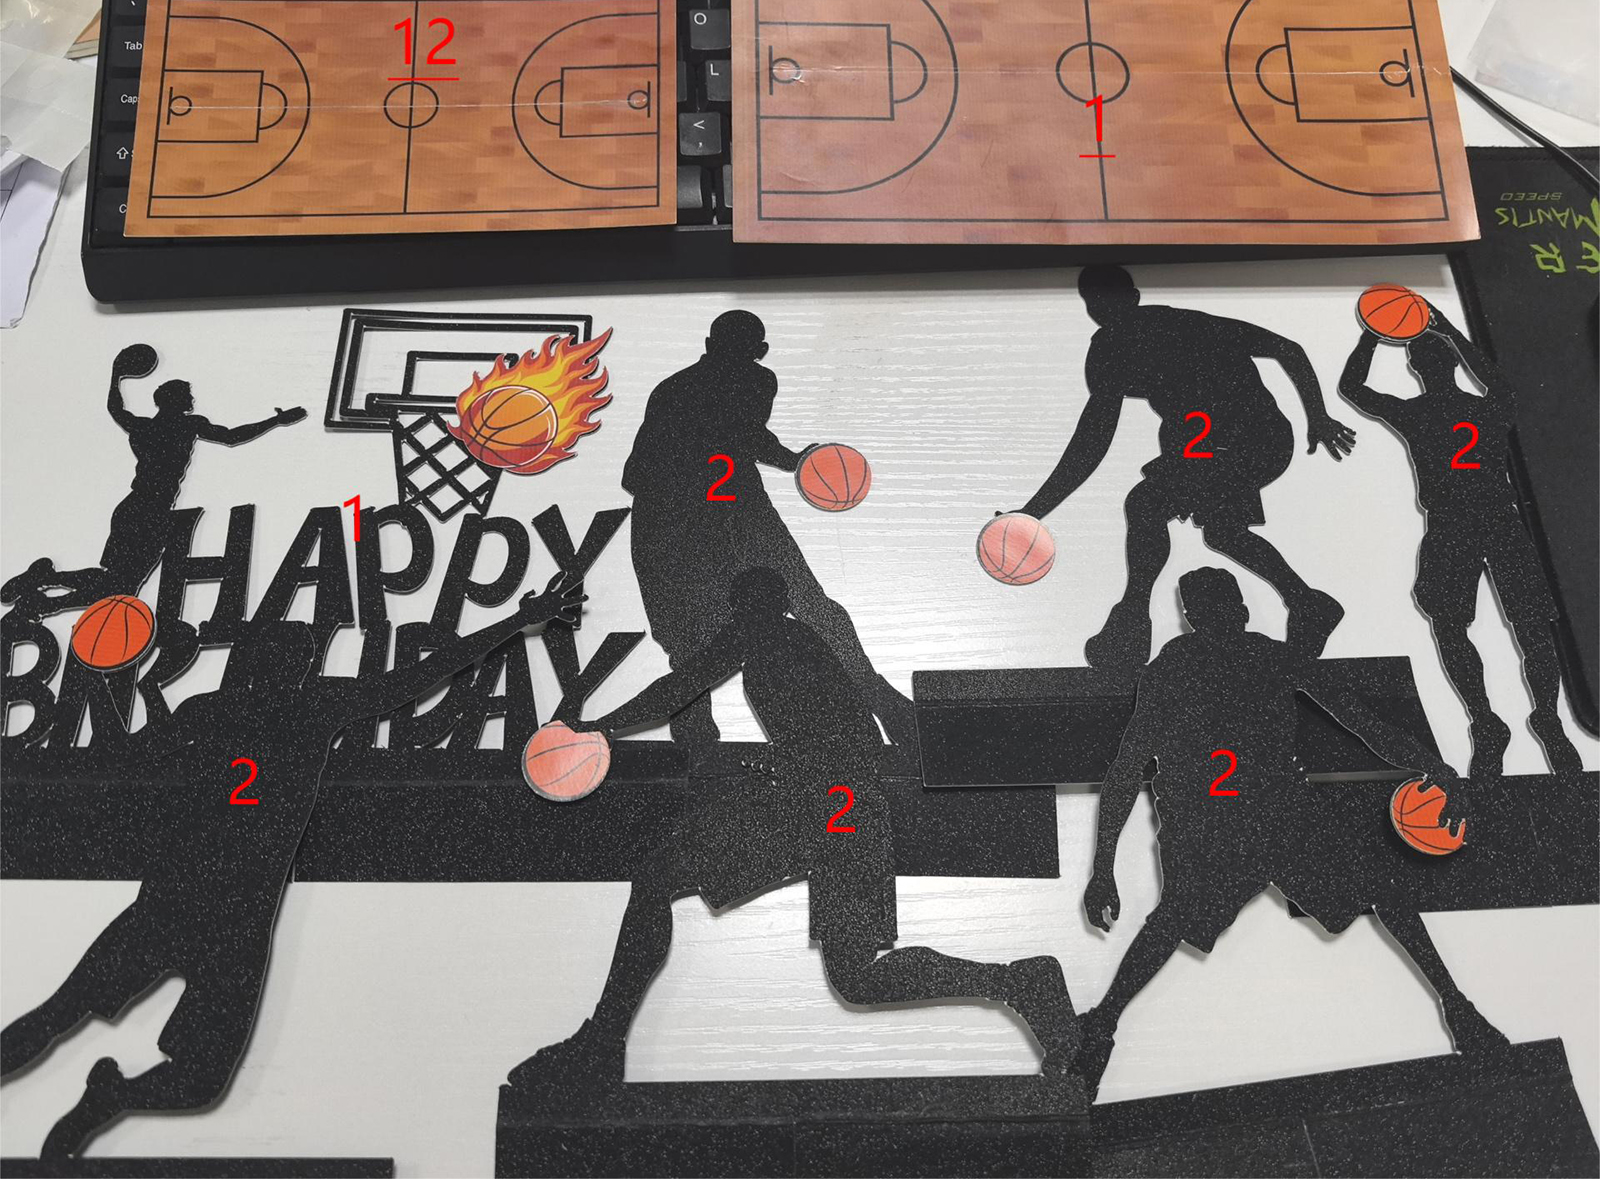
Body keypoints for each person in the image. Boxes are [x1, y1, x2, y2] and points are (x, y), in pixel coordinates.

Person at [0, 573, 584, 1159]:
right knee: (171, 1068)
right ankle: (110, 1100)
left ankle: (104, 1101)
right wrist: (518, 618)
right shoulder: (310, 709)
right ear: (298, 667)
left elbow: (118, 757)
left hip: (195, 909)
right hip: (219, 916)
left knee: (89, 1028)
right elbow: (423, 673)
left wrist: (106, 679)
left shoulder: (214, 709)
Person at [514, 567, 1078, 1083]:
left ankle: (602, 1043)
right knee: (851, 975)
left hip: (828, 798)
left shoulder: (768, 635)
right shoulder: (800, 638)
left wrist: (599, 728)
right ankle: (1018, 982)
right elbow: (854, 714)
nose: (739, 613)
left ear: (761, 604)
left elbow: (680, 689)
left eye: (745, 603)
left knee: (669, 884)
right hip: (837, 797)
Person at [1075, 567, 1508, 1099]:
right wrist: (1102, 869)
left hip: (1264, 813)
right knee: (1174, 920)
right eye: (1218, 607)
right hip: (1218, 821)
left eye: (1228, 605)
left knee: (1377, 885)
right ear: (1202, 617)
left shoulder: (1246, 659)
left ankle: (1458, 1008)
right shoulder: (1186, 669)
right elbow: (1126, 768)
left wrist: (1433, 766)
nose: (1229, 615)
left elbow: (1359, 720)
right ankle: (1101, 1027)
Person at [1014, 266, 1356, 672]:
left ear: (1133, 298)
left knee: (1147, 504)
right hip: (1215, 444)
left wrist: (1319, 417)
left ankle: (1132, 621)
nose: (1102, 310)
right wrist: (1035, 510)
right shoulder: (1114, 349)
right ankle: (1307, 602)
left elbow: (1288, 348)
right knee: (1222, 531)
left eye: (1106, 300)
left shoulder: (1184, 326)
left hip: (1250, 438)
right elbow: (1093, 440)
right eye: (1095, 303)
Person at [621, 310, 916, 750]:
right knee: (700, 631)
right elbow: (735, 437)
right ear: (754, 350)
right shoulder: (730, 383)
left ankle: (879, 699)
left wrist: (789, 460)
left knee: (795, 607)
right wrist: (791, 460)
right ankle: (698, 742)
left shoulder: (713, 385)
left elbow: (737, 436)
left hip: (703, 509)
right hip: (679, 512)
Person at [1337, 308, 1581, 778]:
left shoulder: (1417, 412)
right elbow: (1500, 382)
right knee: (1526, 625)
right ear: (1450, 363)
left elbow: (1353, 388)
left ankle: (1491, 720)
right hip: (1493, 521)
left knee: (1457, 627)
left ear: (1416, 368)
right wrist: (1449, 333)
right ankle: (1537, 717)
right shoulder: (1485, 408)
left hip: (1457, 523)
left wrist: (1373, 334)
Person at [1, 345, 305, 620]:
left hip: (133, 507)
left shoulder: (143, 427)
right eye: (186, 394)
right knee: (121, 586)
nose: (192, 399)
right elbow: (231, 436)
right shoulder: (188, 425)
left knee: (117, 581)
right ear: (175, 400)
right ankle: (45, 597)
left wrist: (116, 375)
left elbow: (116, 409)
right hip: (152, 511)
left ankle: (44, 584)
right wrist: (275, 421)